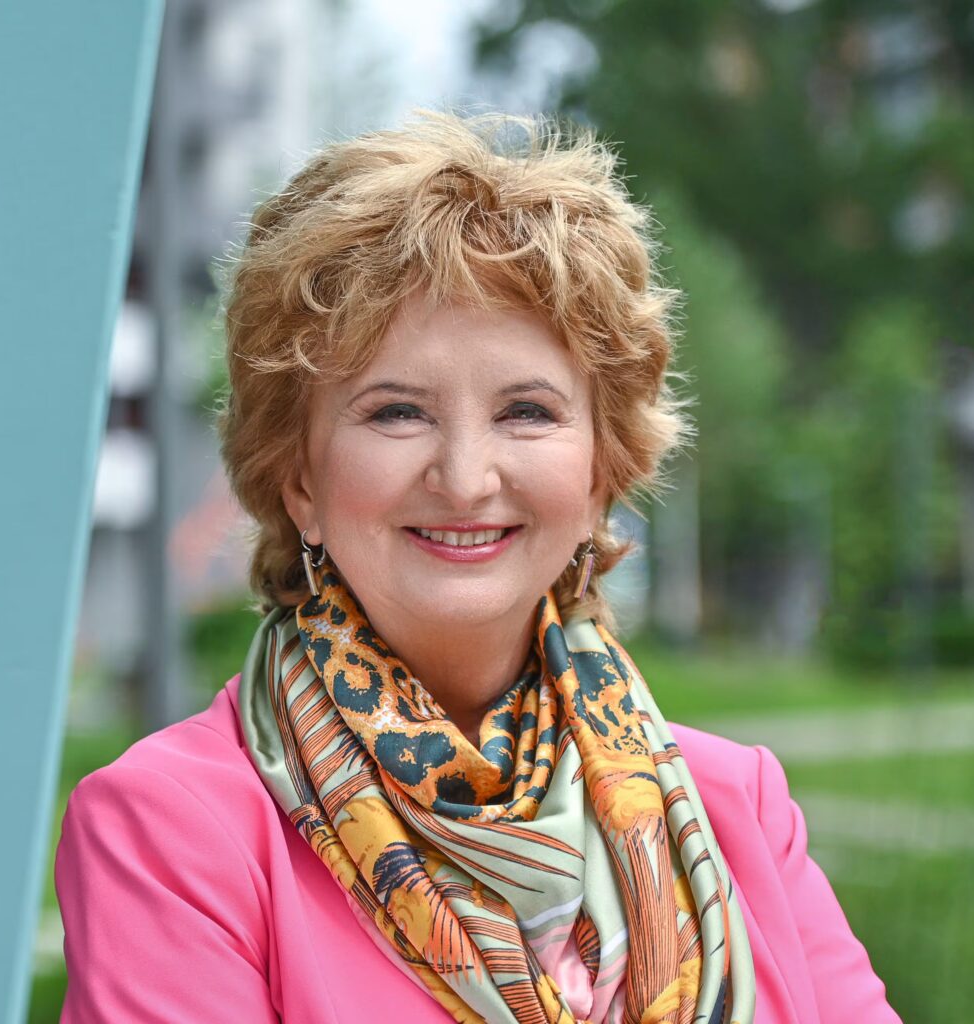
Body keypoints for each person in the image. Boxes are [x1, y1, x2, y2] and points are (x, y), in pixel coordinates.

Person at [55, 111, 900, 1024]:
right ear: (298, 479)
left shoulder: (741, 809)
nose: (464, 478)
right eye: (396, 412)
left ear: (601, 470)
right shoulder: (172, 834)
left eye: (526, 411)